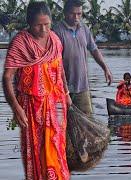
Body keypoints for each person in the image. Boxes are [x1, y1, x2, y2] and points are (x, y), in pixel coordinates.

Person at [2, 1, 71, 179]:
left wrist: (66, 94)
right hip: (31, 108)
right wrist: (16, 108)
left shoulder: (55, 40)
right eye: (38, 25)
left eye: (47, 24)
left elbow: (60, 68)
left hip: (55, 105)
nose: (43, 29)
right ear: (29, 24)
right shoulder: (20, 43)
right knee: (37, 152)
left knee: (56, 150)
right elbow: (7, 77)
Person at [53, 0, 113, 115]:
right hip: (62, 89)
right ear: (65, 13)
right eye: (73, 13)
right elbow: (55, 63)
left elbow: (94, 49)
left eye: (79, 14)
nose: (76, 17)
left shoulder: (84, 28)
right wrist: (64, 91)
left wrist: (105, 68)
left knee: (87, 121)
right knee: (66, 125)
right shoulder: (57, 31)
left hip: (82, 87)